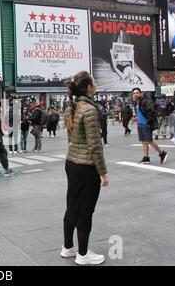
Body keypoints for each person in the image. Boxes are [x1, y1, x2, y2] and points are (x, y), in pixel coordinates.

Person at [61, 71, 109, 266]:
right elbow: (95, 145)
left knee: (72, 206)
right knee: (85, 210)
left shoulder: (71, 107)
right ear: (89, 87)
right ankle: (83, 254)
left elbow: (71, 140)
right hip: (86, 167)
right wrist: (103, 173)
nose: (96, 84)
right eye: (94, 82)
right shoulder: (89, 109)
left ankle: (67, 248)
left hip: (71, 163)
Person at [131, 88, 168, 165]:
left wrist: (148, 123)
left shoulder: (144, 102)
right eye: (134, 93)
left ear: (140, 93)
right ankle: (146, 157)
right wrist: (137, 118)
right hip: (140, 125)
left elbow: (151, 112)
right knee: (144, 142)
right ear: (132, 95)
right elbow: (141, 113)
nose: (135, 94)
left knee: (149, 141)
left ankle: (162, 153)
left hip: (145, 124)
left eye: (137, 93)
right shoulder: (136, 103)